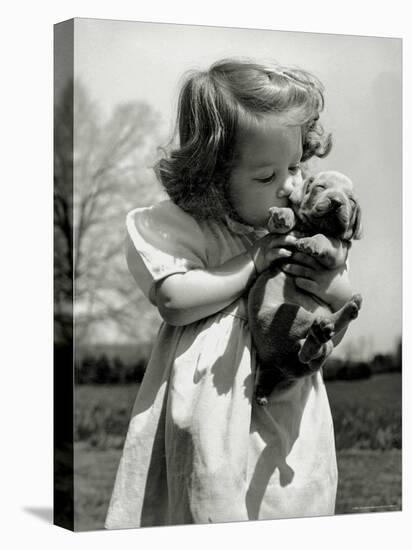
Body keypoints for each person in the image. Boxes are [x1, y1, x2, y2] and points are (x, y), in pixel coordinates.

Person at [105, 58, 354, 529]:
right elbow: (175, 300)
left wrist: (322, 278)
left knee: (289, 502)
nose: (288, 186)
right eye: (266, 177)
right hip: (212, 405)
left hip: (286, 401)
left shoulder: (302, 227)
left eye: (296, 166)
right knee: (210, 497)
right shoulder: (189, 228)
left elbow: (346, 295)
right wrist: (252, 262)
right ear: (212, 177)